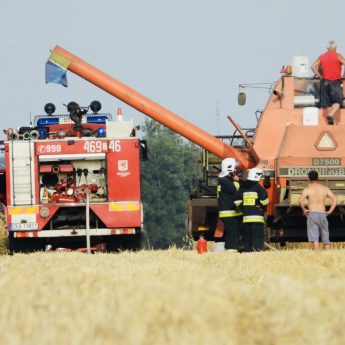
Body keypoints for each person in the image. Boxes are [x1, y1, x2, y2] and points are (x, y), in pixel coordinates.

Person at [299, 170, 337, 250]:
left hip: (312, 214)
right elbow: (335, 199)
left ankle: (317, 258)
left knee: (314, 239)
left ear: (309, 179)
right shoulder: (324, 188)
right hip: (323, 214)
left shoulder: (307, 189)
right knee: (326, 239)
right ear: (318, 178)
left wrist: (304, 209)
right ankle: (329, 257)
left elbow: (300, 200)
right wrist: (330, 211)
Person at [234, 168, 269, 252]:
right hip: (257, 218)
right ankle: (256, 251)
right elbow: (265, 201)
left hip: (246, 218)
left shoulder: (243, 187)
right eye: (260, 177)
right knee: (257, 237)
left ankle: (248, 252)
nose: (261, 179)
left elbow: (236, 201)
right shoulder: (258, 187)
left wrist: (243, 208)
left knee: (248, 237)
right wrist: (261, 206)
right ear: (256, 176)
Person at [311, 40, 345, 125]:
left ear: (327, 48)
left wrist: (320, 76)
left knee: (328, 103)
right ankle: (330, 115)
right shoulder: (338, 56)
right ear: (335, 47)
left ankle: (331, 121)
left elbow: (313, 67)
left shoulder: (322, 56)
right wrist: (343, 75)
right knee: (338, 101)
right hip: (335, 82)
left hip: (324, 82)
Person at [215, 158, 242, 252]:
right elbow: (236, 190)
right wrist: (237, 181)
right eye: (235, 168)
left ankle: (231, 250)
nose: (236, 170)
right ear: (230, 169)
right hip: (229, 213)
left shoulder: (223, 180)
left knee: (233, 233)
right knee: (232, 233)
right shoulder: (225, 181)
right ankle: (230, 251)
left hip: (229, 212)